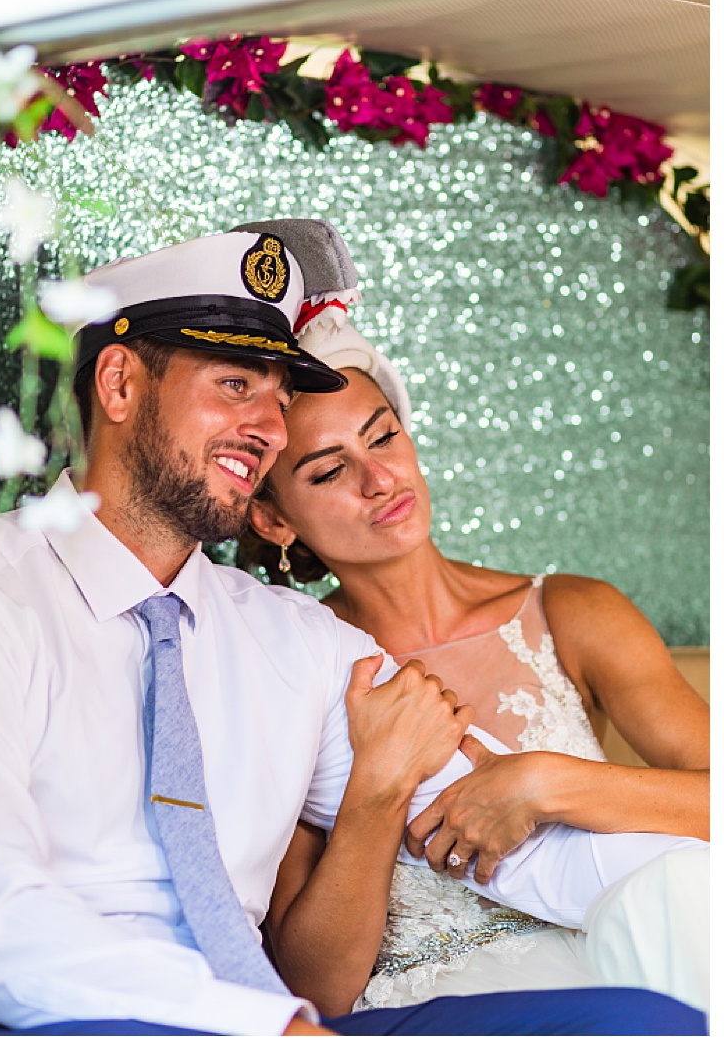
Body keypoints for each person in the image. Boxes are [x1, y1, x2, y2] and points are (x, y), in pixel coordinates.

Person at [0, 223, 705, 1036]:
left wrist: (684, 885)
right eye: (236, 384)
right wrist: (274, 1029)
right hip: (41, 1017)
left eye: (279, 394)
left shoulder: (305, 642)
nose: (267, 423)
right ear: (119, 384)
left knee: (642, 1022)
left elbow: (529, 851)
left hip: (276, 1024)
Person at [239, 311, 708, 1013]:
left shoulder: (573, 611)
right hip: (440, 1011)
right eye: (331, 468)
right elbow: (313, 989)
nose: (378, 478)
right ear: (274, 519)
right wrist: (378, 790)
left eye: (384, 436)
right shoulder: (286, 668)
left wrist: (546, 782)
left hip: (643, 971)